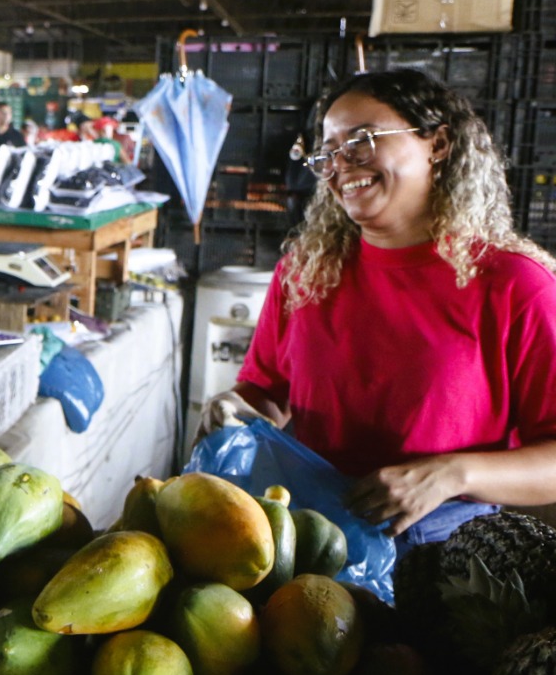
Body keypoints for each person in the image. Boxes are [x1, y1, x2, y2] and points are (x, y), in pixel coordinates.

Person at [199, 69, 556, 554]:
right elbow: (267, 391)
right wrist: (236, 409)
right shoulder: (305, 273)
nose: (342, 164)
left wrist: (452, 474)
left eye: (362, 140)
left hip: (446, 550)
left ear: (439, 144)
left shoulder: (515, 285)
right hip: (310, 534)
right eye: (328, 151)